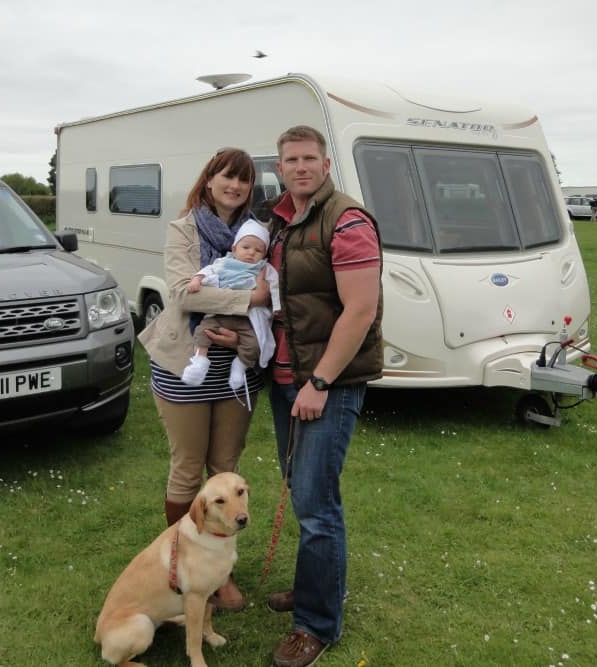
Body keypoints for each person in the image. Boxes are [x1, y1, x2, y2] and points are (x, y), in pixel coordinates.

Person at [264, 125, 383, 667]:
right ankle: (316, 587)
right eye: (291, 159)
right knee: (301, 486)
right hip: (286, 375)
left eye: (310, 158)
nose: (301, 167)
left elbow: (359, 310)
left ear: (327, 163)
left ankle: (315, 624)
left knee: (316, 504)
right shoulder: (282, 219)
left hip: (323, 383)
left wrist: (320, 383)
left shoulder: (347, 219)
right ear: (281, 166)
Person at [137, 147, 269, 611]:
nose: (235, 186)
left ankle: (220, 572)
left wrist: (257, 299)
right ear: (209, 179)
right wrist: (249, 299)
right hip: (184, 366)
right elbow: (182, 295)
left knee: (226, 470)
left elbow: (273, 288)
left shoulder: (258, 235)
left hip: (236, 369)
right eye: (227, 177)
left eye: (244, 180)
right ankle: (180, 565)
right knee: (188, 469)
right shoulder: (183, 229)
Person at [181, 219, 281, 397]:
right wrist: (196, 280)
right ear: (234, 249)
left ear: (265, 254)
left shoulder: (264, 269)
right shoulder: (223, 263)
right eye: (246, 247)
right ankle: (200, 360)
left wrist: (277, 306)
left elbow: (274, 287)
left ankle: (240, 366)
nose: (251, 253)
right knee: (202, 331)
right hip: (220, 314)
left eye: (258, 250)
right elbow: (207, 271)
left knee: (254, 345)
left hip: (247, 319)